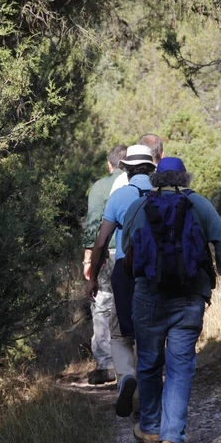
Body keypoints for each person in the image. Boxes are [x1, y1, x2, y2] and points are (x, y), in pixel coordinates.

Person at [121, 157, 221, 443]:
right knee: (180, 366)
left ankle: (149, 427)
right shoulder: (198, 204)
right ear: (183, 178)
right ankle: (172, 439)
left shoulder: (138, 206)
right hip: (189, 297)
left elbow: (126, 249)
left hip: (148, 296)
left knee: (149, 362)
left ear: (156, 179)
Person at [86, 144, 156, 416]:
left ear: (125, 170)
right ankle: (151, 396)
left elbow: (101, 240)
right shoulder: (162, 194)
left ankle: (126, 377)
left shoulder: (120, 196)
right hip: (158, 273)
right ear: (152, 168)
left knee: (120, 332)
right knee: (151, 332)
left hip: (126, 271)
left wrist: (92, 277)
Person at [83, 144, 127, 385]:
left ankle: (106, 363)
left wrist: (87, 259)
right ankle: (130, 359)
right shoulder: (137, 182)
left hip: (105, 251)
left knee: (101, 302)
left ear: (109, 164)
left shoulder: (99, 187)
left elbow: (93, 227)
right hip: (129, 251)